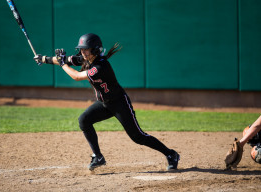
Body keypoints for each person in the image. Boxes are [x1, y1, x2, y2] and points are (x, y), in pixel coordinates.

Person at [33, 33, 180, 171]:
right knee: (84, 120)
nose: (83, 53)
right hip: (104, 104)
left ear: (95, 50)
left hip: (119, 104)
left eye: (86, 50)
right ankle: (98, 157)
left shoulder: (100, 66)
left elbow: (76, 76)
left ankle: (170, 154)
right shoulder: (86, 59)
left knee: (137, 136)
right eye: (82, 50)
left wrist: (62, 64)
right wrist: (44, 59)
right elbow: (64, 60)